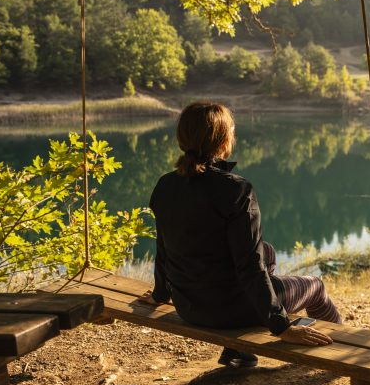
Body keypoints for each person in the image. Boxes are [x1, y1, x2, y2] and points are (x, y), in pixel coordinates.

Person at [138, 101, 340, 367]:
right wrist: (282, 326)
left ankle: (238, 351)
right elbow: (249, 266)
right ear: (223, 141)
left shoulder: (166, 185)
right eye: (231, 130)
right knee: (315, 286)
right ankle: (337, 352)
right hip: (232, 310)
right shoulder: (236, 190)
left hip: (190, 306)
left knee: (266, 250)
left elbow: (164, 248)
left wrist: (161, 294)